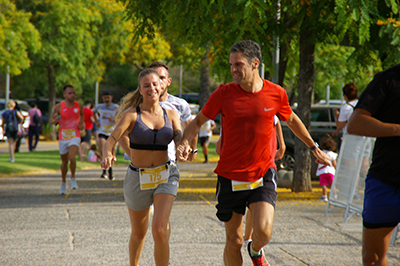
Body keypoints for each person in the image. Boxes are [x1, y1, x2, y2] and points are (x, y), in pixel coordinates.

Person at [177, 40, 331, 266]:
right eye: (231, 64)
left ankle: (256, 250)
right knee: (233, 240)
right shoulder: (223, 93)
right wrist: (184, 142)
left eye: (238, 64)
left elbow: (292, 121)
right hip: (230, 176)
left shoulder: (276, 93)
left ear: (255, 63)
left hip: (262, 173)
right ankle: (246, 248)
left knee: (264, 232)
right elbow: (198, 120)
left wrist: (313, 147)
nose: (233, 69)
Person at [101, 68, 183, 266]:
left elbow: (179, 136)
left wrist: (183, 146)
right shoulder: (131, 115)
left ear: (162, 86)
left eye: (155, 84)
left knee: (160, 229)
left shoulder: (171, 114)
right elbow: (112, 139)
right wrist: (108, 153)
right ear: (140, 90)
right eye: (146, 85)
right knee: (139, 233)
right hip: (138, 177)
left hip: (166, 174)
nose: (152, 88)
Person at [347, 64, 400, 266]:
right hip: (385, 179)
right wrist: (397, 129)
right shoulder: (388, 79)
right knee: (372, 258)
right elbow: (355, 123)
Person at [118, 61, 197, 162]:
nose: (158, 82)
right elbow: (121, 134)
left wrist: (192, 149)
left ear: (169, 81)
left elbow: (191, 127)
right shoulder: (136, 106)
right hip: (140, 165)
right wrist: (133, 156)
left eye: (162, 78)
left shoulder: (179, 105)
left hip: (168, 162)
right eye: (154, 78)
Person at [243, 115, 285, 249]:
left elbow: (276, 120)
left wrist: (282, 144)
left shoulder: (268, 105)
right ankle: (246, 238)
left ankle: (250, 241)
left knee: (257, 202)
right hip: (246, 164)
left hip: (266, 165)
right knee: (251, 202)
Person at [50, 85, 84, 195]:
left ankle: (73, 178)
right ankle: (63, 182)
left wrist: (81, 123)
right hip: (63, 137)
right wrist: (55, 119)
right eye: (70, 93)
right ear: (64, 95)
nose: (72, 95)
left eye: (73, 93)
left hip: (75, 135)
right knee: (64, 162)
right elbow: (52, 121)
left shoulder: (79, 106)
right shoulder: (58, 107)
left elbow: (82, 115)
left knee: (72, 157)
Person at [94, 91, 119, 180]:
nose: (106, 99)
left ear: (111, 97)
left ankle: (111, 171)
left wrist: (113, 120)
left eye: (108, 97)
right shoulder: (99, 107)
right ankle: (104, 170)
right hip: (102, 131)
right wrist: (96, 121)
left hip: (112, 133)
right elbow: (94, 112)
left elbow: (120, 119)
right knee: (102, 150)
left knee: (111, 152)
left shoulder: (115, 107)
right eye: (105, 97)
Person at [316, 134, 337, 202]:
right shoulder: (332, 154)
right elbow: (334, 163)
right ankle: (334, 196)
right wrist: (336, 169)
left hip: (322, 171)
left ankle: (324, 196)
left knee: (324, 185)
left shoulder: (321, 153)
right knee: (332, 185)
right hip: (331, 171)